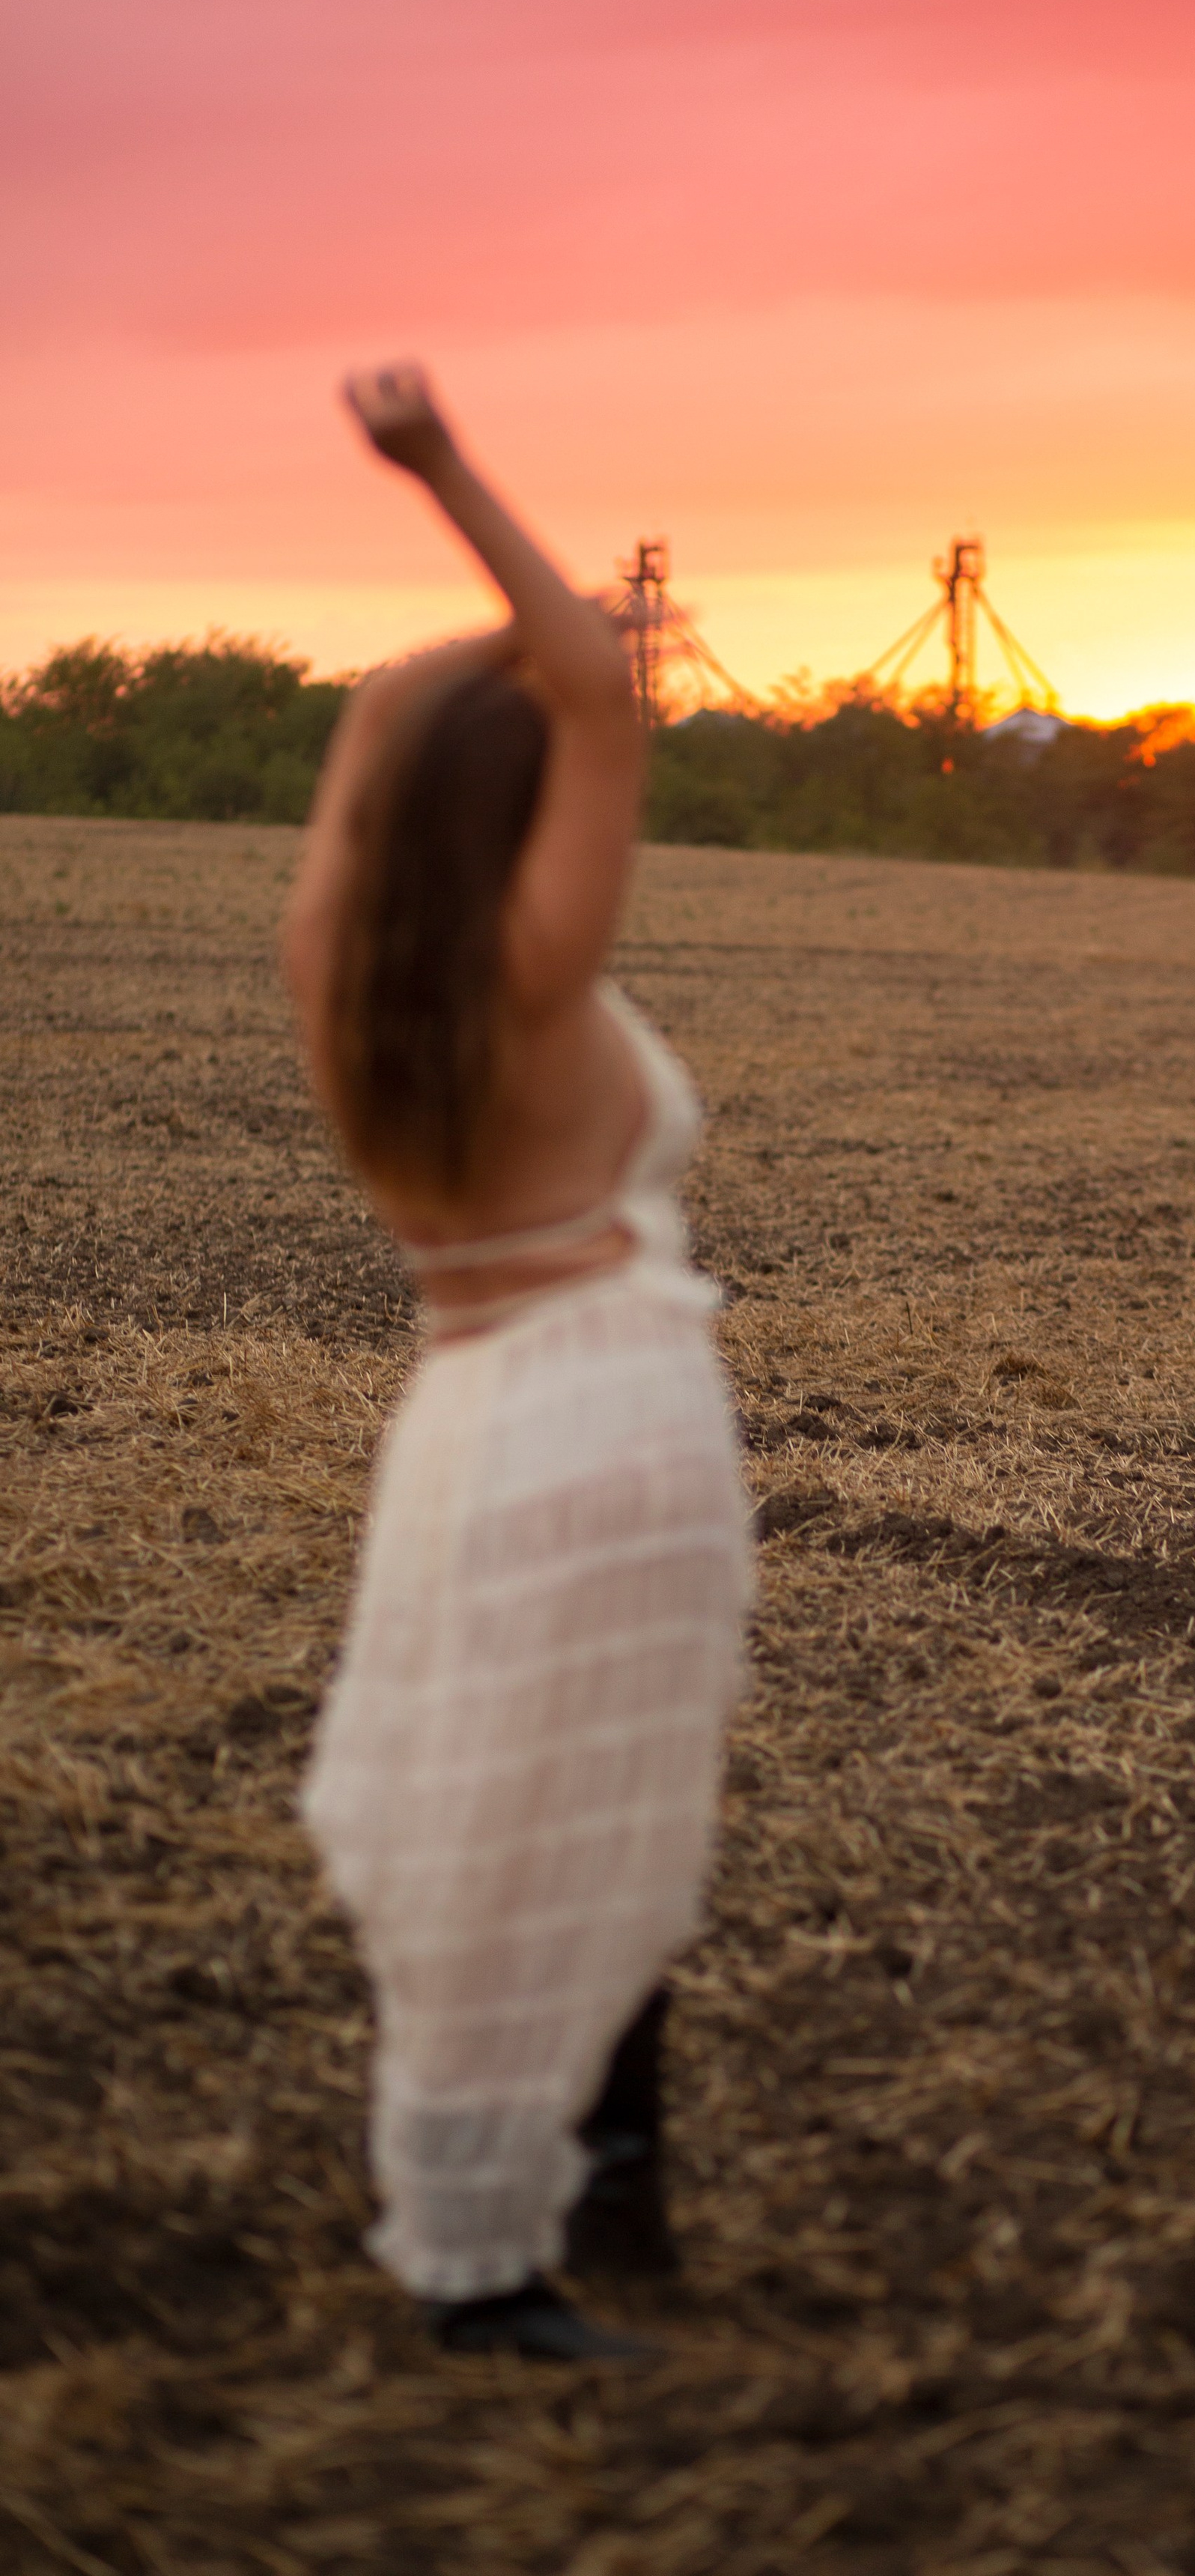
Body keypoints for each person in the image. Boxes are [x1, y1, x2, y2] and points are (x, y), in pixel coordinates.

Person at [282, 366, 752, 2360]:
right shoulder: (533, 975)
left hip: (461, 1427)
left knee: (508, 1815)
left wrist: (445, 674)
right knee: (590, 1827)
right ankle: (493, 2257)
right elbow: (593, 694)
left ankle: (573, 2185)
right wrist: (450, 478)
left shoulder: (340, 972)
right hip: (611, 1414)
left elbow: (416, 738)